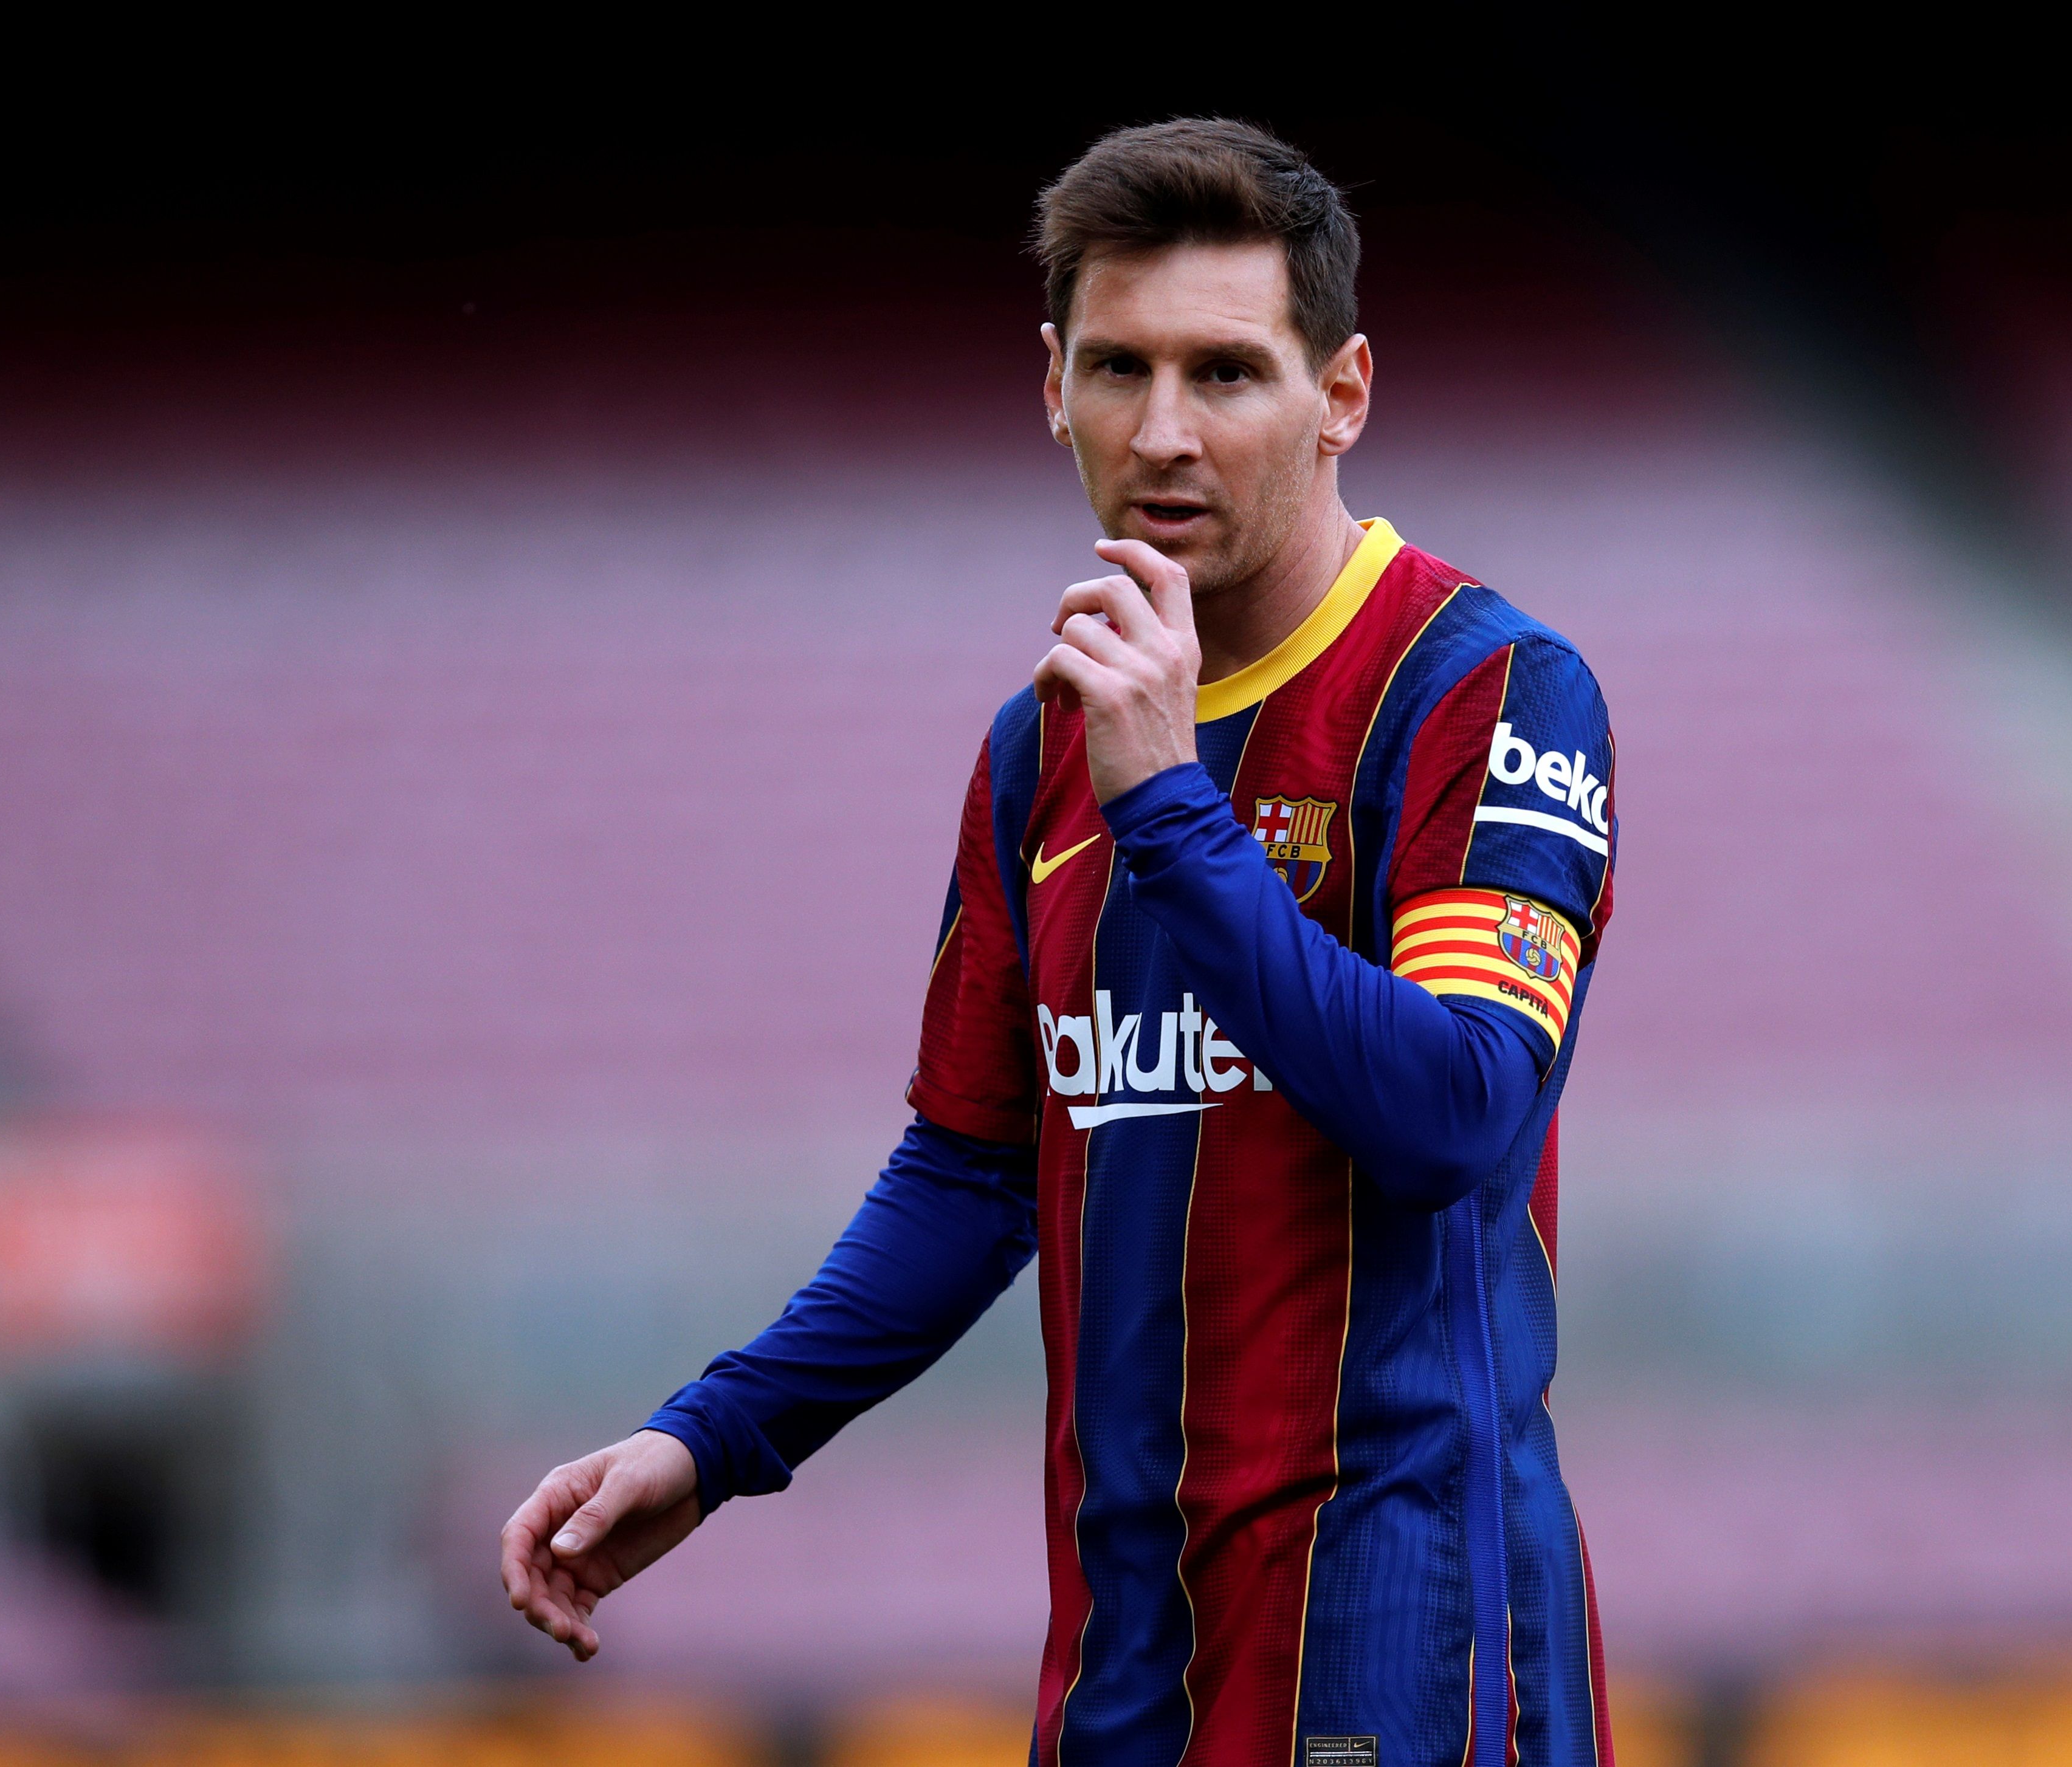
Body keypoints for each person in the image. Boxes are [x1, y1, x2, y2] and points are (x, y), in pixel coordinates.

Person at [501, 117, 1620, 1767]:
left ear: (1343, 394)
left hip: (1399, 1653)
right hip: (1125, 1665)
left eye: (1225, 373)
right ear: (1051, 385)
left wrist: (1170, 806)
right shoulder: (1042, 749)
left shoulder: (1485, 688)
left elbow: (1457, 1112)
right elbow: (971, 1170)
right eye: (1118, 369)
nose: (1163, 432)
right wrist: (714, 1436)